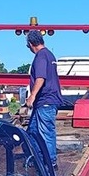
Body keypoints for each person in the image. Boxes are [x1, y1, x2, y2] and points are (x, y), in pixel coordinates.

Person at [22, 30, 63, 167]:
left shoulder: (40, 56)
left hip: (45, 101)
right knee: (32, 131)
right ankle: (37, 158)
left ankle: (50, 162)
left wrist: (31, 96)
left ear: (30, 44)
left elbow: (40, 77)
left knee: (46, 132)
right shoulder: (50, 55)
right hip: (46, 101)